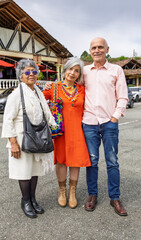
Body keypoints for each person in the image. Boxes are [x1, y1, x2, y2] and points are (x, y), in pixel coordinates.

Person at [1, 59, 57, 218]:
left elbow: (46, 113)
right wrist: (13, 143)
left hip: (37, 136)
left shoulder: (37, 92)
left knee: (34, 171)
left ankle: (33, 199)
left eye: (34, 71)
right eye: (27, 72)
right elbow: (7, 120)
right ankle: (25, 201)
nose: (31, 74)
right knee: (23, 171)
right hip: (20, 138)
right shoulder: (16, 94)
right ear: (21, 76)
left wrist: (55, 127)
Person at [82, 37, 128, 216]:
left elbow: (123, 96)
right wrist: (49, 86)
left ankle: (115, 197)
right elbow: (70, 85)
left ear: (107, 49)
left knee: (112, 161)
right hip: (89, 123)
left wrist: (115, 118)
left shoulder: (116, 70)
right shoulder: (84, 71)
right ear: (90, 50)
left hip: (109, 122)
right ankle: (92, 195)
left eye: (100, 47)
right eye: (94, 47)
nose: (97, 50)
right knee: (92, 161)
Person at [42, 57, 91, 209]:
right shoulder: (54, 87)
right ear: (64, 70)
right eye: (70, 69)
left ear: (79, 74)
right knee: (62, 161)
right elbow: (38, 100)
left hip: (78, 131)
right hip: (61, 132)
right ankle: (62, 191)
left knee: (75, 161)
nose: (72, 73)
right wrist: (44, 86)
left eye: (76, 71)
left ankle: (72, 192)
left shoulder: (82, 89)